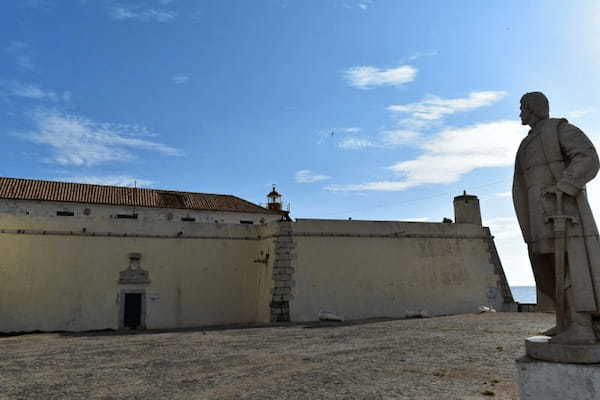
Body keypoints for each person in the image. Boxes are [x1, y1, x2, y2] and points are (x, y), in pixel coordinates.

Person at [513, 91, 600, 344]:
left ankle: (582, 325)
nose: (520, 112)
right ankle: (565, 322)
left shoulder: (559, 129)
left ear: (534, 108)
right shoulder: (528, 142)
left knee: (573, 265)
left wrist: (565, 185)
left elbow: (588, 157)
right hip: (538, 216)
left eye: (523, 107)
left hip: (564, 212)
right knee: (549, 269)